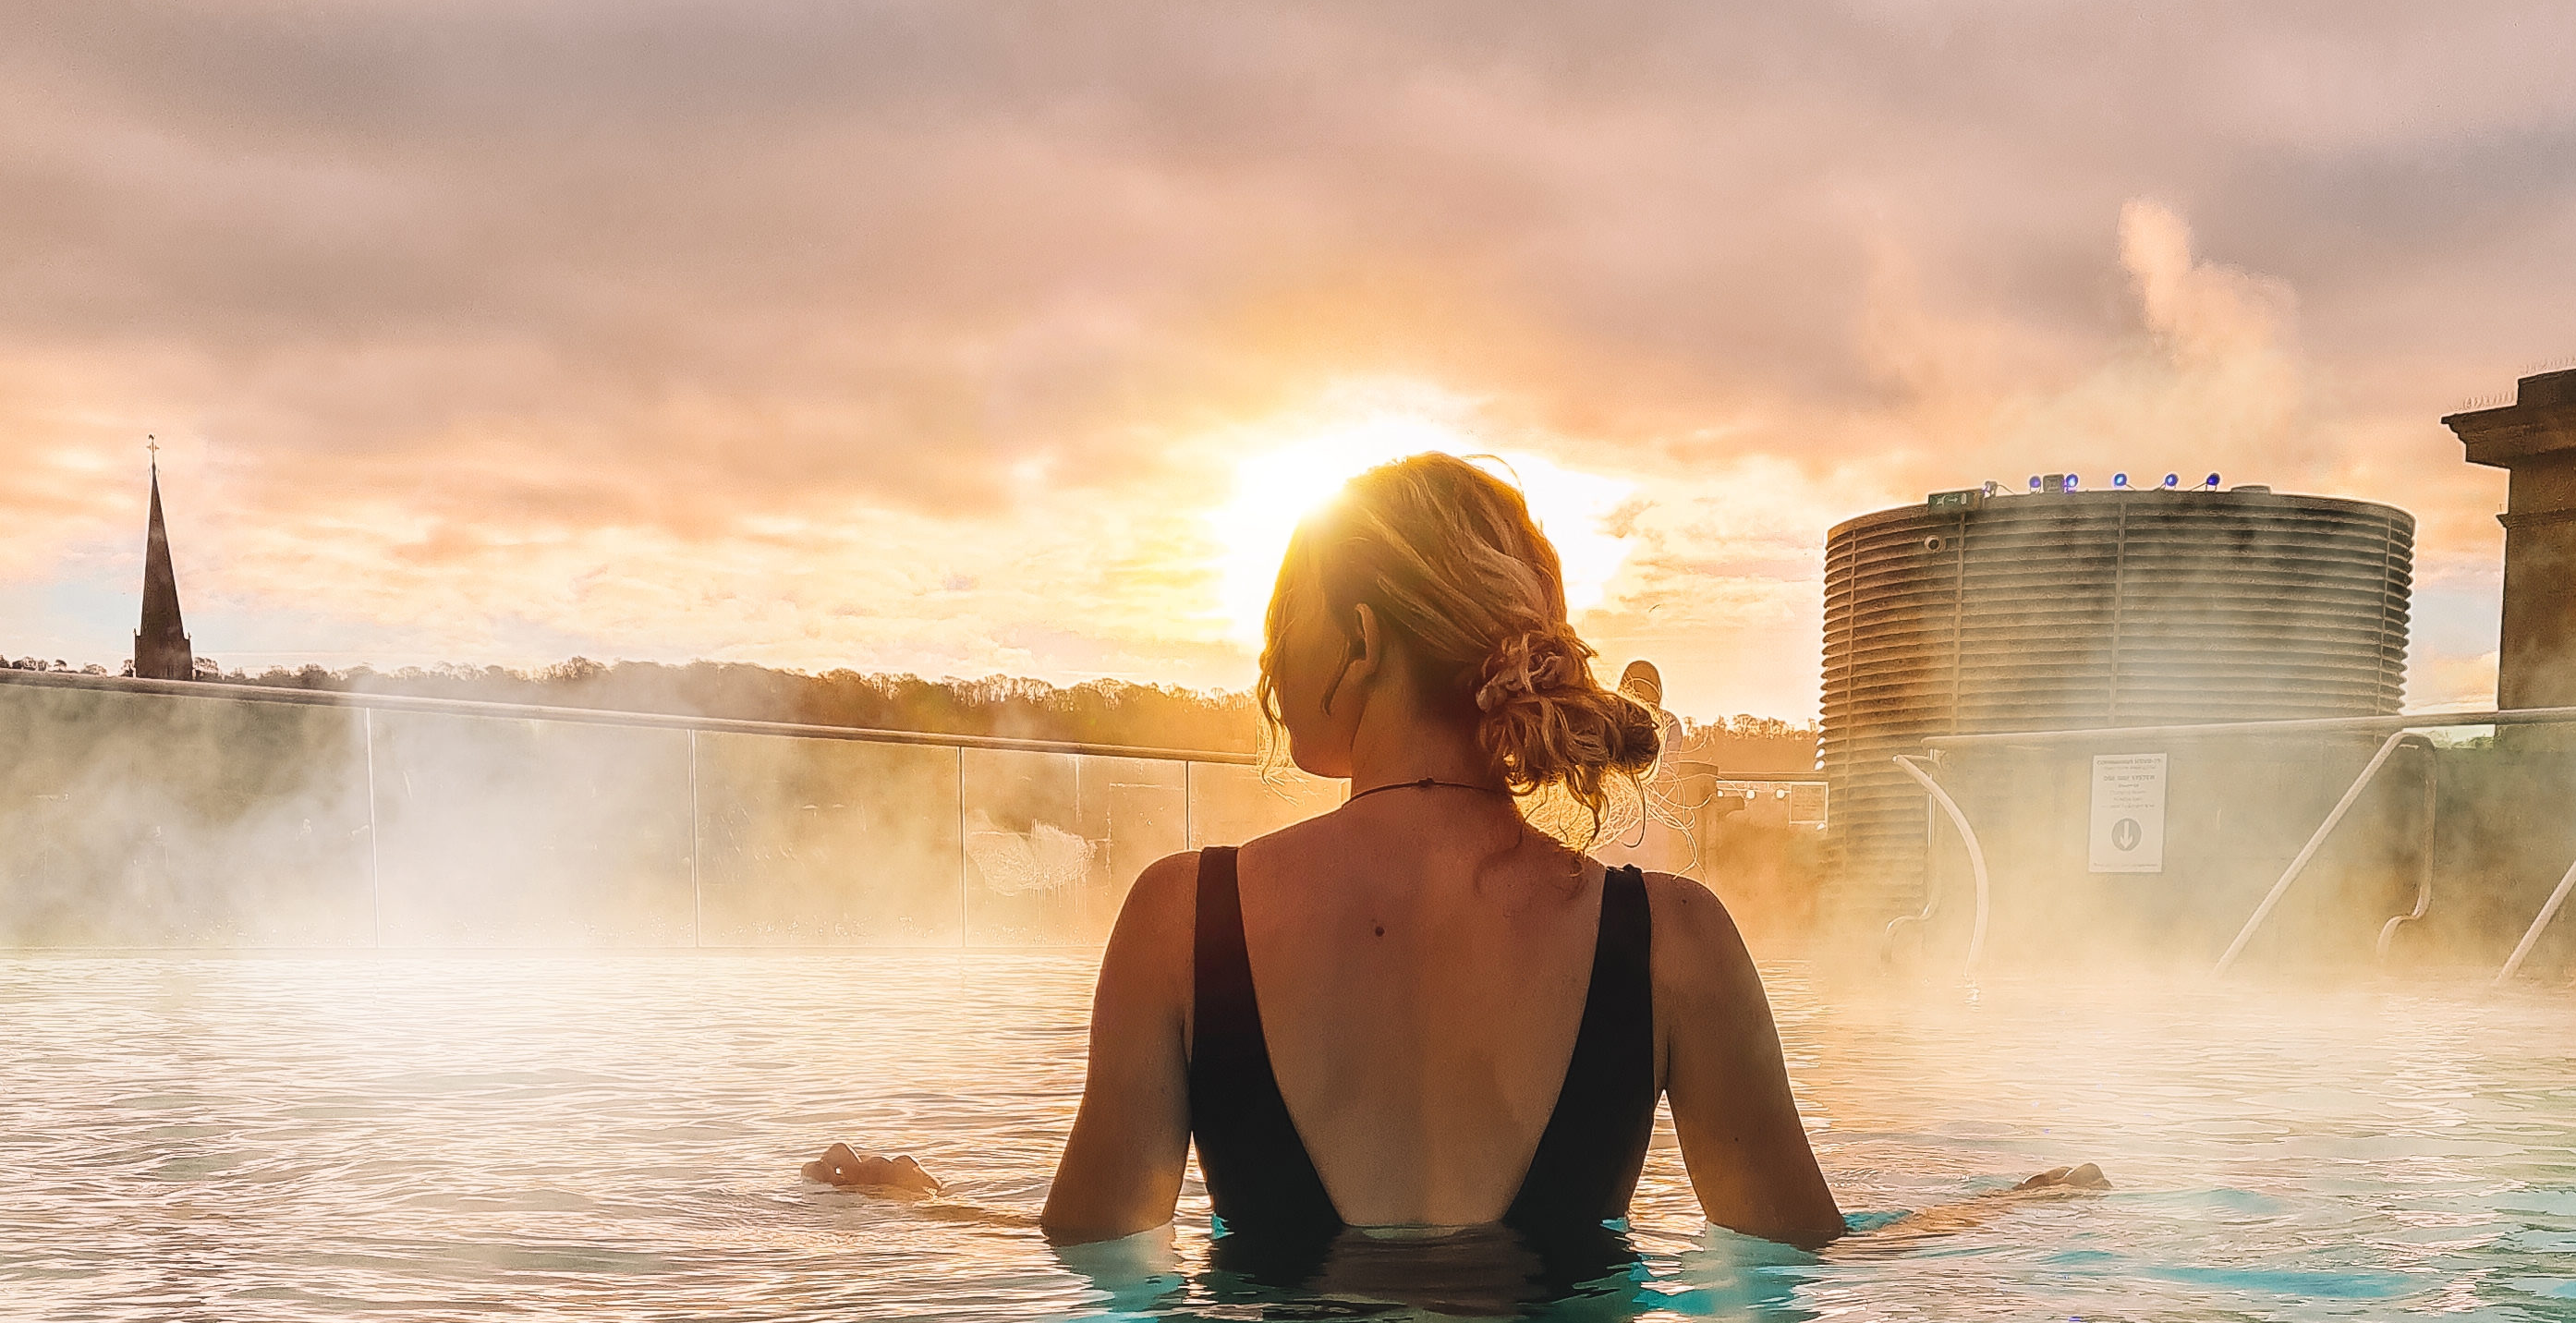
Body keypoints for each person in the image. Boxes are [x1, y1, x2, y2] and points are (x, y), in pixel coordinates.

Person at [805, 452, 2100, 1265]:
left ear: (1360, 640)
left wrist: (921, 1201)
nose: (1264, 665)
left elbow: (1093, 1260)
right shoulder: (1677, 941)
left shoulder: (1178, 920)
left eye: (1281, 622)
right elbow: (1808, 1264)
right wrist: (2006, 1206)